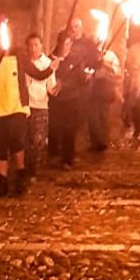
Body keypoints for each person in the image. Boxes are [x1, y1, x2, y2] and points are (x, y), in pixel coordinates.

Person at [0, 29, 55, 196]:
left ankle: (20, 178)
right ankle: (1, 181)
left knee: (17, 143)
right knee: (0, 146)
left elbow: (37, 74)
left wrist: (51, 68)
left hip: (17, 107)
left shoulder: (19, 56)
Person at [49, 18, 97, 168]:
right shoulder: (51, 59)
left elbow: (81, 80)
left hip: (72, 99)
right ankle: (53, 153)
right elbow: (46, 75)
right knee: (56, 127)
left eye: (69, 43)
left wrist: (86, 77)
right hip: (56, 100)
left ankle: (67, 159)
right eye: (64, 43)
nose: (66, 46)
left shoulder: (76, 59)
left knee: (69, 128)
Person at [23, 34, 56, 176]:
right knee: (25, 140)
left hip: (40, 106)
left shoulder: (48, 64)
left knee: (38, 140)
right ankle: (23, 168)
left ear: (41, 45)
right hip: (25, 106)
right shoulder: (23, 62)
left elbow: (51, 85)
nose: (33, 48)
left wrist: (54, 90)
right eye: (30, 45)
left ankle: (33, 170)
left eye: (36, 45)